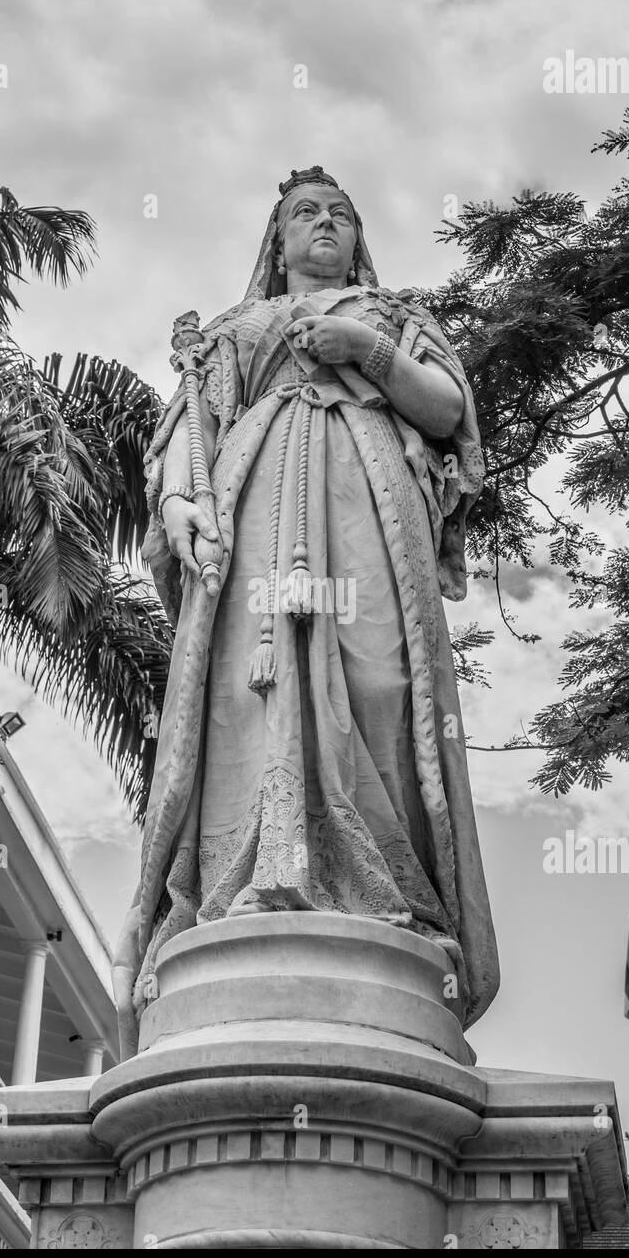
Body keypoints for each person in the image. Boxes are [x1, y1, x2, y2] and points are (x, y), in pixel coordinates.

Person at [114, 166, 498, 1057]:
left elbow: (445, 411)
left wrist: (365, 354)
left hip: (368, 506)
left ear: (358, 239)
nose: (321, 225)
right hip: (252, 518)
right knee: (250, 692)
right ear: (276, 242)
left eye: (337, 215)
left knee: (381, 683)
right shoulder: (235, 332)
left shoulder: (393, 319)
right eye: (302, 215)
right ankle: (248, 880)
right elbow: (185, 442)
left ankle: (388, 897)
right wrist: (178, 511)